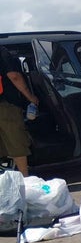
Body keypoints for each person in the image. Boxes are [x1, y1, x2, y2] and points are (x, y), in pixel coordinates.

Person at [0, 46, 38, 176]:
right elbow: (14, 76)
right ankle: (25, 178)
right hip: (5, 104)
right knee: (16, 142)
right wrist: (30, 97)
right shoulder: (2, 52)